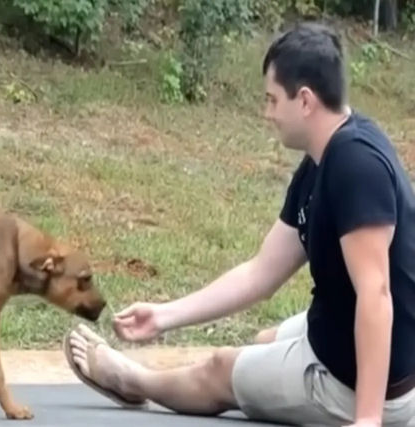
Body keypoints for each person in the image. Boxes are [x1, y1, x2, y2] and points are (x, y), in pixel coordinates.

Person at [64, 22, 415, 427]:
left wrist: (368, 419)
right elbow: (260, 273)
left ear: (305, 100)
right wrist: (165, 316)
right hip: (338, 336)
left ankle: (131, 379)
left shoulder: (356, 166)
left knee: (219, 369)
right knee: (265, 340)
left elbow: (377, 293)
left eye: (271, 100)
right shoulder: (324, 159)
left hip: (362, 387)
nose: (267, 113)